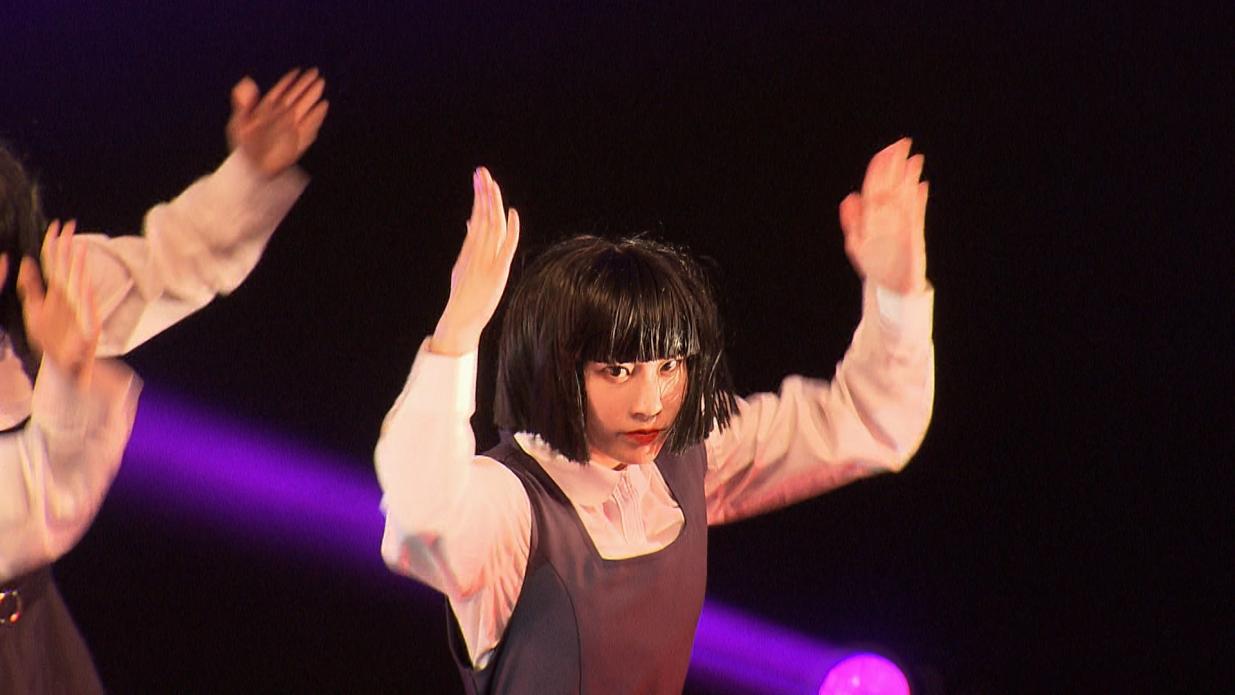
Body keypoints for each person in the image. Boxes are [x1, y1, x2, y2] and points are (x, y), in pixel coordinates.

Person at [376, 138, 935, 693]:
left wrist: (897, 294)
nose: (650, 403)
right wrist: (457, 333)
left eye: (669, 366)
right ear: (558, 369)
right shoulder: (514, 505)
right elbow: (422, 514)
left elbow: (870, 423)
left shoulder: (684, 459)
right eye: (617, 371)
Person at [0, 67, 328, 693]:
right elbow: (35, 511)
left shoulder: (33, 290)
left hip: (33, 634)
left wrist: (248, 175)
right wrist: (67, 373)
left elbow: (161, 267)